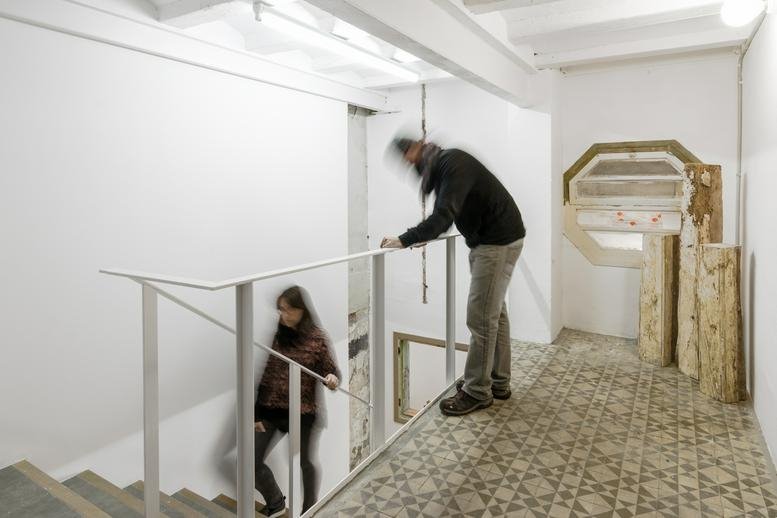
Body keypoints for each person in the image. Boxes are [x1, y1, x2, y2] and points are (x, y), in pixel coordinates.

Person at [381, 137, 525, 417]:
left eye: (409, 158)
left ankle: (477, 391)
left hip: (495, 242)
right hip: (498, 238)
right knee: (494, 313)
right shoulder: (444, 166)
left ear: (417, 148)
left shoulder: (452, 165)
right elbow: (447, 213)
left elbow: (444, 215)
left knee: (480, 317)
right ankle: (497, 382)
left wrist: (406, 239)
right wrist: (423, 234)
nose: (410, 166)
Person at [254, 286, 340, 517]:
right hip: (272, 410)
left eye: (288, 310)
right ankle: (276, 502)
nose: (284, 315)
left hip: (304, 412)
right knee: (250, 461)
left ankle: (309, 511)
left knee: (306, 463)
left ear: (301, 310)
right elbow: (268, 373)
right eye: (281, 310)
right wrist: (256, 414)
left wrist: (332, 379)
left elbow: (331, 372)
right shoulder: (280, 334)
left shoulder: (317, 337)